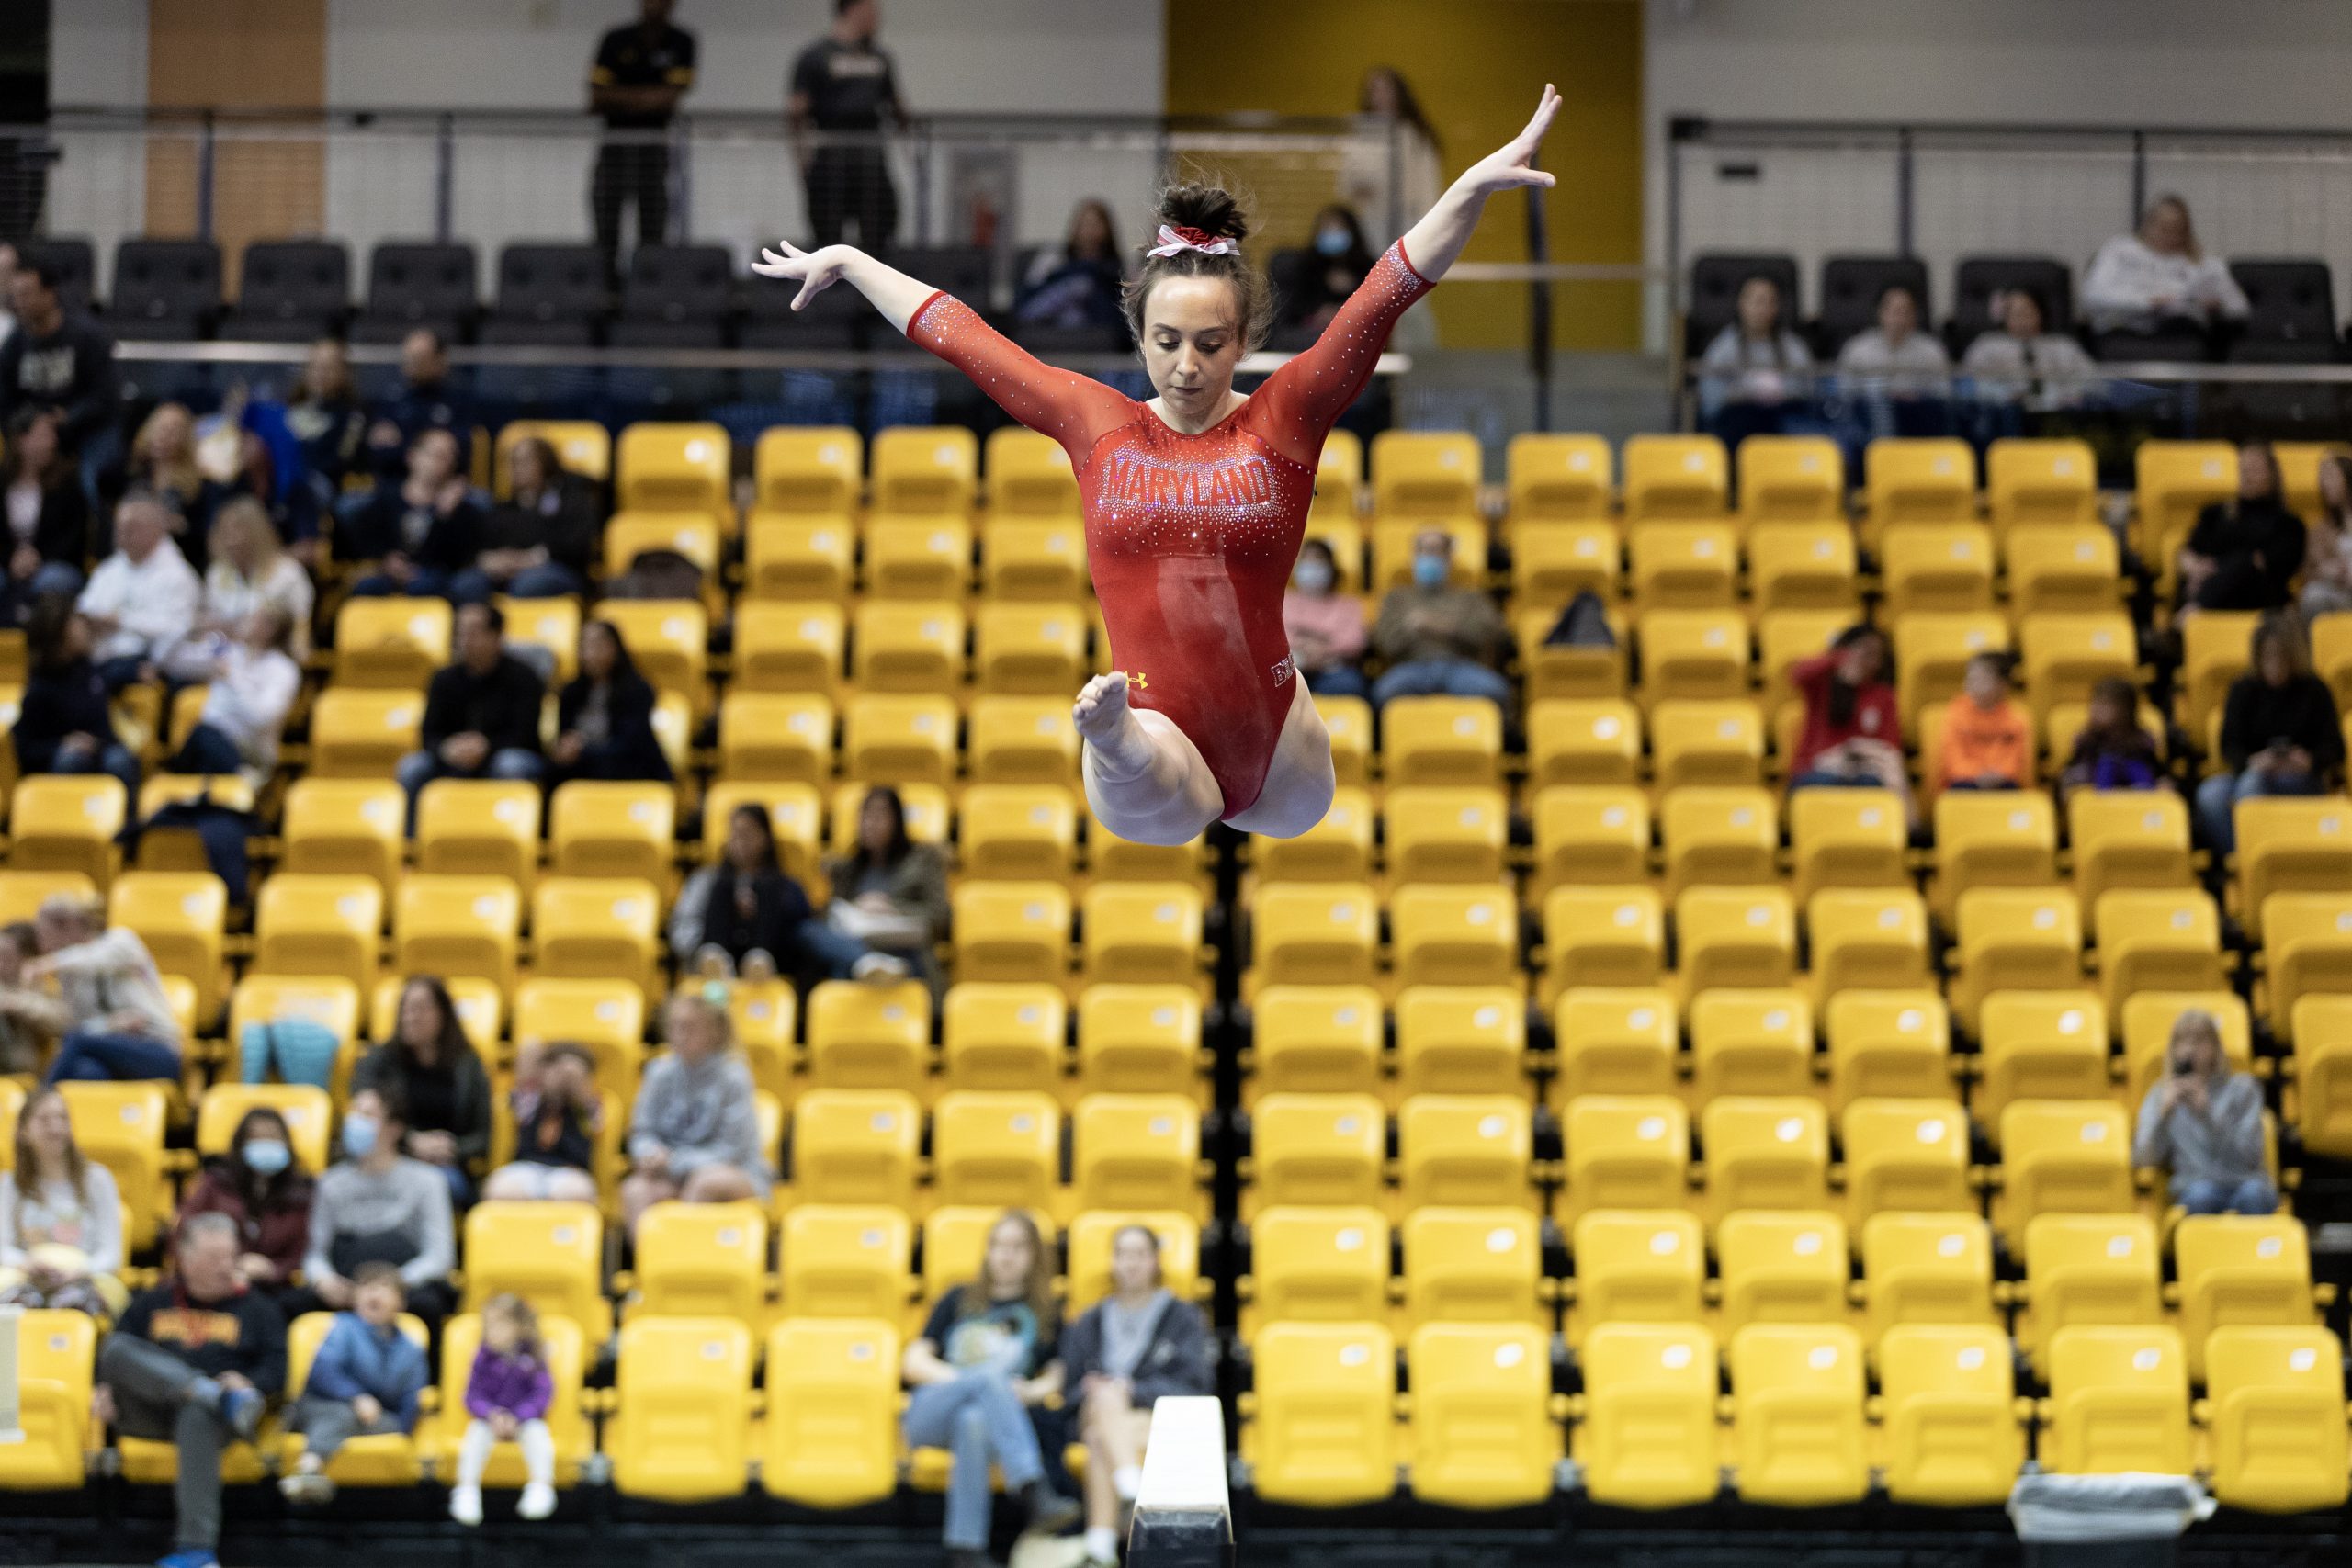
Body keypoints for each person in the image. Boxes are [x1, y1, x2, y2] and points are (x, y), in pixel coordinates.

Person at [753, 85, 1564, 846]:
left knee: (1284, 808)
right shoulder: (1096, 424)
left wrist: (1470, 188)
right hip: (1156, 727)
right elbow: (965, 337)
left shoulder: (1284, 416)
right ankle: (1114, 739)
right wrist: (855, 264)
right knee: (1161, 782)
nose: (1186, 365)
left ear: (1242, 342)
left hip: (1280, 745)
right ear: (1140, 336)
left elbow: (1386, 292)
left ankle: (1140, 745)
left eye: (1211, 344)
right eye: (1166, 342)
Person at [95, 1213, 284, 1568]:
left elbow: (278, 1370)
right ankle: (206, 1391)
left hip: (223, 1422)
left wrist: (251, 1383)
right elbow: (116, 1354)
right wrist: (101, 1385)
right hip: (152, 1409)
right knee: (116, 1346)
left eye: (230, 1256)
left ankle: (197, 1552)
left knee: (197, 1411)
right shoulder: (155, 1300)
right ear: (185, 1258)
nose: (225, 1266)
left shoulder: (259, 1308)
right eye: (214, 1257)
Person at [903, 1210, 1082, 1568]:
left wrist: (1027, 1393)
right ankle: (1032, 1487)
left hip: (988, 1424)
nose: (1006, 1254)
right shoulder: (958, 1298)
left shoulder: (1045, 1311)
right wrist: (980, 1383)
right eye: (998, 1245)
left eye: (1017, 1246)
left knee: (973, 1422)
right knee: (986, 1383)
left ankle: (965, 1550)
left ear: (1034, 1256)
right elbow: (913, 1363)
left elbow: (1058, 1375)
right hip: (931, 1412)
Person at [1059, 1225, 1216, 1568]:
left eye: (1140, 1255)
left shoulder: (1183, 1318)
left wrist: (1133, 1390)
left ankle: (1100, 1544)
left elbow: (1196, 1386)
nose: (1131, 1264)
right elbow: (1068, 1390)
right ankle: (1132, 1493)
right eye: (1123, 1255)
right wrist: (1095, 1388)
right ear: (1112, 1262)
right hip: (1097, 1411)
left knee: (1100, 1436)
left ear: (1155, 1261)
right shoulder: (1089, 1320)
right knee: (1103, 1399)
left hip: (1150, 1418)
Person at [672, 803, 905, 986]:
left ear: (765, 838)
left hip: (773, 953)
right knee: (723, 887)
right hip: (719, 949)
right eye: (735, 834)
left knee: (770, 889)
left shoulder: (782, 883)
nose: (741, 842)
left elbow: (804, 920)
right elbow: (683, 925)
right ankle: (714, 958)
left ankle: (759, 959)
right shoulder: (708, 880)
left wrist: (761, 909)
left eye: (749, 834)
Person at [302, 1083, 458, 1328]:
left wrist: (392, 1284)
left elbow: (439, 1256)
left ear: (394, 1129)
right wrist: (324, 1280)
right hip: (345, 1283)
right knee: (293, 1304)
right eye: (354, 1112)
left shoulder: (429, 1181)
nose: (355, 1122)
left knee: (430, 1305)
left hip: (403, 1282)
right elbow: (315, 1253)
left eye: (367, 1115)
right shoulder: (329, 1183)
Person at [278, 1260, 429, 1506]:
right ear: (355, 1297)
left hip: (376, 1420)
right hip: (318, 1407)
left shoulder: (411, 1351)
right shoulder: (342, 1327)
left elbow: (409, 1401)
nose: (373, 1293)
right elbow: (321, 1373)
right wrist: (356, 1397)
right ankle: (309, 1469)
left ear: (401, 1302)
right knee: (342, 1414)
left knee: (377, 1422)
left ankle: (309, 1470)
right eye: (366, 1287)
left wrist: (404, 1433)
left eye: (383, 1287)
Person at [620, 991, 770, 1235]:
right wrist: (648, 1153)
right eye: (675, 1026)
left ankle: (685, 1259)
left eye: (689, 1027)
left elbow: (732, 1150)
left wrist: (674, 1162)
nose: (680, 1035)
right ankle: (651, 1266)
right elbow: (642, 1131)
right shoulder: (659, 1072)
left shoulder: (734, 1076)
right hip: (672, 1172)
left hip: (735, 1170)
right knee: (635, 1190)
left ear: (715, 1032)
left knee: (705, 1182)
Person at [2197, 612, 2344, 854]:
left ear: (2294, 657)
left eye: (2281, 657)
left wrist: (2308, 761)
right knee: (2210, 794)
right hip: (2254, 771)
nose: (2274, 665)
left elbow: (2335, 747)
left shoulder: (2315, 690)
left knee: (2250, 785)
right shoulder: (2243, 688)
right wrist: (2254, 761)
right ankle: (2246, 858)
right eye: (2267, 657)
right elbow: (2229, 744)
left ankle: (2259, 856)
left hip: (2302, 778)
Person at [396, 601, 548, 822]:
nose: (465, 640)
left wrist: (486, 746)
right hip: (454, 755)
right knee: (412, 767)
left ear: (497, 636)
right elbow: (428, 734)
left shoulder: (523, 678)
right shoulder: (443, 679)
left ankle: (508, 833)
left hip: (502, 753)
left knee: (510, 765)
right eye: (460, 632)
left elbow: (526, 735)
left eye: (474, 632)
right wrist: (447, 748)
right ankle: (411, 845)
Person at [354, 976, 493, 1208]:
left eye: (419, 1009)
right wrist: (411, 1142)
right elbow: (362, 1114)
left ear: (443, 1013)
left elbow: (483, 1137)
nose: (410, 1017)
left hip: (446, 1165)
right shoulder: (379, 1059)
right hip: (390, 1157)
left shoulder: (468, 1064)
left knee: (437, 1185)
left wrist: (451, 1148)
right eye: (405, 1009)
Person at [591, 0, 697, 283]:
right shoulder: (616, 39)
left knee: (652, 229)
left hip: (654, 150)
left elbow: (669, 99)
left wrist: (622, 98)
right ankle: (607, 287)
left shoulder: (681, 41)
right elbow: (596, 98)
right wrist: (648, 98)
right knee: (605, 226)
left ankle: (647, 289)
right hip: (614, 147)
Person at [27, 892, 182, 1085]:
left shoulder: (121, 941)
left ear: (69, 926)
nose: (41, 946)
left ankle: (39, 1098)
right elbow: (82, 1027)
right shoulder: (69, 973)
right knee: (87, 1072)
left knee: (75, 1041)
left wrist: (47, 964)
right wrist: (110, 1025)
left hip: (155, 1051)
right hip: (107, 1053)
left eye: (43, 935)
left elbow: (96, 960)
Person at [789, 0, 905, 252]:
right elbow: (796, 113)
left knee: (879, 236)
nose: (876, 19)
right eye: (872, 12)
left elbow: (898, 108)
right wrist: (802, 162)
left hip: (871, 161)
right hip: (831, 158)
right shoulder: (815, 56)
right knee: (827, 241)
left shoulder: (880, 58)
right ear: (853, 10)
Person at [0, 1085, 126, 1315]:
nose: (55, 1128)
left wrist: (79, 1270)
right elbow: (3, 1246)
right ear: (24, 1131)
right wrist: (27, 1264)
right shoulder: (10, 1185)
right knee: (14, 1302)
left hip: (86, 1277)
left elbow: (111, 1254)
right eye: (44, 1120)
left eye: (62, 1118)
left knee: (75, 1304)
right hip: (29, 1278)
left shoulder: (97, 1179)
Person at [2132, 1010, 2272, 1215]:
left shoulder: (2243, 1089)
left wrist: (2207, 1114)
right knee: (2202, 1196)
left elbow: (2250, 1156)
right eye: (2182, 1041)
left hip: (2245, 1180)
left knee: (2254, 1195)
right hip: (2196, 1184)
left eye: (2199, 1040)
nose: (2190, 1049)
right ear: (2173, 1049)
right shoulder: (2161, 1094)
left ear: (2216, 1047)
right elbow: (2143, 1158)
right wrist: (2164, 1115)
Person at [177, 1106, 315, 1309]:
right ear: (241, 1144)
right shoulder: (215, 1183)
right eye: (257, 1138)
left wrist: (273, 1269)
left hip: (275, 1291)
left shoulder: (302, 1194)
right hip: (214, 1285)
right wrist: (227, 1267)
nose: (266, 1145)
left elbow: (308, 1249)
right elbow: (185, 1233)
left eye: (274, 1138)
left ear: (287, 1145)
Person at [11, 596, 140, 800]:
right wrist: (62, 744)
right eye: (75, 623)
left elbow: (108, 676)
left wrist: (135, 671)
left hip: (103, 748)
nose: (84, 627)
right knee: (73, 760)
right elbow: (25, 747)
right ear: (59, 637)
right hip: (65, 760)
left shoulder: (86, 668)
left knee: (120, 760)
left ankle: (128, 828)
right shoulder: (41, 688)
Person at [822, 785, 951, 988]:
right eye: (865, 816)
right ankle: (865, 961)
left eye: (880, 816)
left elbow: (940, 917)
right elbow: (833, 916)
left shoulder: (923, 860)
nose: (870, 824)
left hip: (904, 950)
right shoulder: (847, 869)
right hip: (858, 945)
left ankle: (869, 963)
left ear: (897, 821)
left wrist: (891, 907)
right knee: (809, 932)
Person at [447, 1292, 559, 1525]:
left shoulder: (535, 1356)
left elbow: (542, 1394)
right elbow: (472, 1395)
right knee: (475, 1434)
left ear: (520, 1327)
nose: (491, 1332)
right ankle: (466, 1490)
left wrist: (518, 1416)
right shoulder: (481, 1357)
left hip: (524, 1421)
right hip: (491, 1420)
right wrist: (491, 1414)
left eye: (499, 1325)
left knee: (538, 1434)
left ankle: (541, 1486)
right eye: (488, 1325)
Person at [1369, 527, 1510, 710]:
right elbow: (1386, 642)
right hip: (1411, 666)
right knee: (1385, 692)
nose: (1429, 556)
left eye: (1436, 550)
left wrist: (1448, 628)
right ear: (1414, 555)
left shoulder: (1470, 598)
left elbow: (1492, 633)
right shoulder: (1396, 598)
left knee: (1495, 691)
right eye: (1423, 550)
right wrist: (1411, 628)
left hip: (1460, 666)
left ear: (1449, 557)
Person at [2082, 195, 2248, 344]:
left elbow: (2239, 308)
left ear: (2186, 231)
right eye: (2163, 228)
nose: (2168, 236)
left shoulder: (2204, 263)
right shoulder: (2119, 250)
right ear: (2148, 224)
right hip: (2121, 327)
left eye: (2176, 230)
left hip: (2179, 330)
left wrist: (2216, 305)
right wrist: (2148, 302)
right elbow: (2091, 295)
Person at [345, 427, 487, 602]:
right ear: (412, 456)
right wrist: (385, 559)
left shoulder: (460, 509)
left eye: (452, 457)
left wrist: (443, 517)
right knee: (367, 586)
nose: (447, 462)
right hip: (386, 572)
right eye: (438, 455)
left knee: (424, 586)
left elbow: (456, 560)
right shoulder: (386, 499)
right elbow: (366, 541)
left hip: (433, 576)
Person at [76, 491, 200, 690]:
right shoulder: (107, 570)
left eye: (132, 527)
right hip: (98, 656)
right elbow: (85, 607)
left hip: (143, 664)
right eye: (119, 526)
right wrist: (89, 620)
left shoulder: (178, 576)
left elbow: (178, 629)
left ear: (157, 528)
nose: (123, 533)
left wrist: (121, 621)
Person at [0, 254, 118, 464]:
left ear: (49, 293)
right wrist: (30, 424)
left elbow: (105, 397)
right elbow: (6, 400)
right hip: (31, 429)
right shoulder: (14, 345)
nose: (19, 303)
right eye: (15, 296)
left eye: (26, 295)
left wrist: (67, 417)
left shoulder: (88, 338)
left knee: (93, 474)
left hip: (86, 428)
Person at [166, 605, 303, 783]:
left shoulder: (283, 669)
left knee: (203, 736)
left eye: (252, 618)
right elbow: (171, 663)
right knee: (203, 739)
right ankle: (234, 776)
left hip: (248, 751)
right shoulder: (229, 653)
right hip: (209, 744)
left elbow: (262, 718)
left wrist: (231, 678)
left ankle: (231, 777)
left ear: (269, 629)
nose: (243, 622)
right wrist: (189, 627)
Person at [1787, 624, 1909, 808]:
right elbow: (1798, 674)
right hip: (1817, 771)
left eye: (1875, 656)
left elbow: (1889, 745)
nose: (1867, 661)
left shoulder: (1883, 697)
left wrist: (1859, 750)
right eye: (1862, 652)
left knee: (1875, 784)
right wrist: (1841, 658)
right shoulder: (1823, 685)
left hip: (1861, 773)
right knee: (1817, 784)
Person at [2178, 442, 2303, 620]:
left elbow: (2270, 566)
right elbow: (2187, 550)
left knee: (2244, 563)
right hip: (2204, 585)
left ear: (2272, 474)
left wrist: (2218, 573)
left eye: (2254, 468)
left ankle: (2192, 612)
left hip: (2259, 598)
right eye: (2243, 468)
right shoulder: (2215, 513)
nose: (2247, 475)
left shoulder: (2289, 524)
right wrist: (2194, 567)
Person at [469, 435, 598, 602]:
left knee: (528, 584)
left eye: (525, 461)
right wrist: (490, 559)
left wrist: (529, 559)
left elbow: (576, 548)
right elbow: (480, 544)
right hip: (504, 571)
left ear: (546, 464)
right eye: (513, 462)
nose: (517, 468)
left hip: (557, 569)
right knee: (469, 583)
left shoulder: (572, 501)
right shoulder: (503, 508)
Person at [548, 618, 673, 787]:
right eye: (584, 646)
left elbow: (631, 745)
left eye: (597, 646)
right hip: (584, 766)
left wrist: (584, 751)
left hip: (628, 767)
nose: (590, 654)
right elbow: (565, 736)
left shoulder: (637, 690)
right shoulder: (571, 692)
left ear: (616, 648)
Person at [189, 497, 313, 663]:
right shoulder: (217, 574)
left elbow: (300, 631)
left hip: (272, 660)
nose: (232, 541)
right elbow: (208, 625)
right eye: (225, 532)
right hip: (223, 661)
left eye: (239, 531)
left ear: (258, 533)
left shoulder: (288, 574)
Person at [1698, 273, 1814, 444]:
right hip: (1737, 426)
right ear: (1741, 304)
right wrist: (1747, 393)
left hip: (1782, 422)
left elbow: (1808, 392)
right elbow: (1710, 402)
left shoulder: (1794, 347)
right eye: (1757, 301)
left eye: (1770, 302)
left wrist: (1778, 394)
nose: (1763, 309)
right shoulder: (1722, 348)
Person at [481, 1042, 603, 1204]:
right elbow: (529, 1049)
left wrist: (576, 1089)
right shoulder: (530, 1101)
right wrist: (546, 1070)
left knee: (573, 1194)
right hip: (526, 1167)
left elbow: (595, 1124)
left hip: (570, 1170)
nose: (563, 1077)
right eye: (554, 1069)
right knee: (501, 1189)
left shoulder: (588, 1108)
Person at [1340, 65, 1445, 249]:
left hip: (1409, 224)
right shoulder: (1363, 136)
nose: (1379, 96)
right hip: (1371, 223)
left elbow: (1428, 187)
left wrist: (1428, 232)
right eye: (1374, 90)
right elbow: (1346, 183)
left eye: (1385, 89)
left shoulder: (1415, 136)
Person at [3, 407, 92, 606]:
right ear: (20, 440)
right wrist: (10, 559)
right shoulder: (3, 483)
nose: (52, 441)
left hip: (54, 564)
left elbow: (74, 537)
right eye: (44, 434)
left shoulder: (67, 484)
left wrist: (38, 558)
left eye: (53, 434)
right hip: (8, 565)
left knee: (52, 580)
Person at [363, 327, 474, 485]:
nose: (411, 362)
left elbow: (460, 453)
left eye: (419, 357)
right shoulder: (390, 401)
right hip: (392, 486)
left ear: (439, 359)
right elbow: (377, 453)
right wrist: (430, 447)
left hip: (444, 488)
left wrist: (402, 444)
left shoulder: (458, 401)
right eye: (408, 356)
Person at [1835, 284, 1952, 432]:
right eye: (1895, 311)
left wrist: (1917, 399)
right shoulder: (1858, 348)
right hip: (1867, 422)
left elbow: (1944, 395)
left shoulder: (1931, 350)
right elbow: (1844, 394)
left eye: (1906, 311)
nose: (1900, 318)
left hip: (1919, 421)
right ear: (1880, 312)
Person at [1959, 287, 2098, 407]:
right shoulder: (1986, 346)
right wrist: (2004, 395)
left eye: (2028, 313)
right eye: (2016, 314)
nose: (2023, 320)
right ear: (2004, 317)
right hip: (2003, 417)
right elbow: (1968, 385)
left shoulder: (2063, 346)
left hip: (2056, 416)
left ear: (2041, 313)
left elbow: (2093, 382)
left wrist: (2064, 397)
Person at [282, 337, 368, 521]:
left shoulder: (352, 416)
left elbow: (340, 460)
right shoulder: (288, 411)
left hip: (323, 486)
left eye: (329, 368)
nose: (321, 373)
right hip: (285, 480)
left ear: (344, 374)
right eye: (315, 366)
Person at [1015, 200, 1128, 333]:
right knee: (1080, 286)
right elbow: (1032, 293)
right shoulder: (1052, 259)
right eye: (1085, 224)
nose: (1090, 231)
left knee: (1074, 314)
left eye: (1095, 224)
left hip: (1092, 324)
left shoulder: (1115, 267)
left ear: (1107, 229)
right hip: (1045, 318)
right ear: (1075, 227)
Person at [1272, 204, 1378, 337]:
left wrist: (1344, 310)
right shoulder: (1306, 264)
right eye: (1327, 228)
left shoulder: (1366, 266)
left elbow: (1374, 309)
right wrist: (1318, 312)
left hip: (1354, 332)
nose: (1332, 233)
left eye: (1338, 228)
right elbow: (1293, 306)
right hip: (1311, 332)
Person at [1282, 536, 1367, 699]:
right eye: (1307, 561)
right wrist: (1321, 641)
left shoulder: (1348, 605)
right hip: (1294, 669)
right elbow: (1278, 638)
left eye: (1318, 561)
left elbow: (1354, 642)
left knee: (1350, 684)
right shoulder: (1284, 601)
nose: (1312, 568)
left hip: (1334, 671)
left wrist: (1312, 647)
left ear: (1331, 568)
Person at [1936, 650, 2030, 792]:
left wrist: (1999, 775)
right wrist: (1977, 775)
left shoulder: (2016, 719)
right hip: (1964, 782)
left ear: (2002, 685)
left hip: (2002, 782)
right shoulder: (1955, 714)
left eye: (1982, 679)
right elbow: (1953, 760)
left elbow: (2015, 760)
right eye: (1970, 678)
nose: (1973, 685)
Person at [2058, 677, 2164, 797]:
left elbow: (2157, 771)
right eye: (2093, 703)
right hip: (2096, 795)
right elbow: (2072, 771)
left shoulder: (2142, 742)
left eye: (2104, 704)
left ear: (2125, 710)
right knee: (2106, 766)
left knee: (2137, 769)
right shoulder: (2087, 740)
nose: (2095, 709)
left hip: (2136, 797)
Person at [0, 920, 67, 1077]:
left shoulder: (46, 986)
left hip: (22, 1064)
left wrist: (16, 1004)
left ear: (27, 959)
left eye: (6, 956)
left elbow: (62, 1023)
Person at [2298, 455, 2352, 621]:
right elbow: (2308, 571)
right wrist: (2328, 570)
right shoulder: (2320, 530)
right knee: (2312, 595)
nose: (2325, 484)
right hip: (2338, 594)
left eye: (2331, 476)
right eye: (2323, 479)